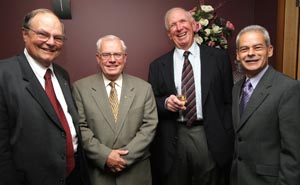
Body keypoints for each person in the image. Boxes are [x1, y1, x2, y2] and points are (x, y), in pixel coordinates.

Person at [0, 9, 91, 185]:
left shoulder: (62, 75)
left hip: (73, 175)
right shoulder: (4, 74)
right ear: (24, 34)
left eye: (57, 38)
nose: (51, 42)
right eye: (43, 34)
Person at [148, 7, 234, 185]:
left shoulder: (218, 58)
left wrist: (225, 135)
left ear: (194, 25)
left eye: (182, 22)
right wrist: (165, 103)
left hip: (208, 136)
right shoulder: (157, 66)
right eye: (173, 25)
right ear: (169, 34)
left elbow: (229, 100)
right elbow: (151, 104)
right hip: (173, 137)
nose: (179, 28)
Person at [72, 34, 158, 185]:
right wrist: (105, 156)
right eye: (106, 54)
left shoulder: (144, 88)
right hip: (98, 174)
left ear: (125, 58)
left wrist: (123, 158)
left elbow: (149, 126)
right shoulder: (80, 88)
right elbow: (80, 127)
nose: (112, 60)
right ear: (98, 58)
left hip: (136, 173)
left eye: (117, 54)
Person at [230, 25, 300, 185]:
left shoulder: (288, 89)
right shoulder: (236, 88)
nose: (250, 53)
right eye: (244, 49)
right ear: (238, 55)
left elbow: (293, 153)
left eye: (257, 47)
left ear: (270, 50)